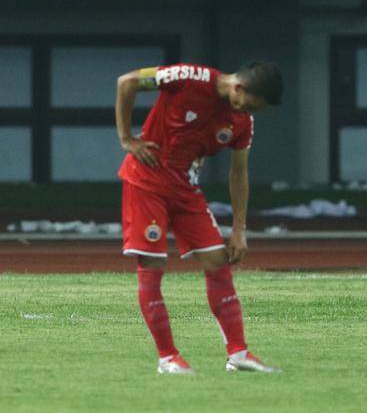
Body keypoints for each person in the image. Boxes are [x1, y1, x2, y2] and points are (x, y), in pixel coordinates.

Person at [116, 61, 284, 375]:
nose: (251, 113)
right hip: (146, 183)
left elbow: (239, 172)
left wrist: (239, 230)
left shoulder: (242, 121)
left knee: (218, 262)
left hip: (185, 189)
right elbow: (127, 81)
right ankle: (168, 358)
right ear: (239, 88)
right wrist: (127, 139)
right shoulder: (189, 77)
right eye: (251, 106)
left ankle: (239, 354)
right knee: (153, 266)